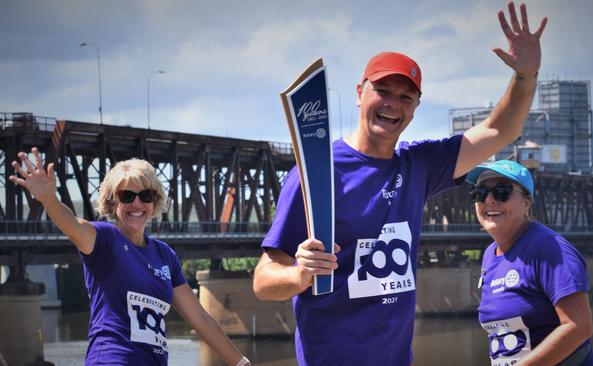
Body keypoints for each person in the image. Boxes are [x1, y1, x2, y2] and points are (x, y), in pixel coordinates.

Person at [253, 2, 547, 365]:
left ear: (416, 107)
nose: (393, 104)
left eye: (405, 97)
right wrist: (300, 274)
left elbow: (500, 129)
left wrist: (525, 77)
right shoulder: (315, 173)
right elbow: (263, 281)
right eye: (383, 91)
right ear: (360, 92)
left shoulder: (419, 163)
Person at [9, 147, 251, 366]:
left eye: (145, 195)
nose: (137, 203)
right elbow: (72, 224)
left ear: (154, 201)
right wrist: (49, 200)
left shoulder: (165, 256)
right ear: (113, 201)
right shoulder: (103, 239)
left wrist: (240, 363)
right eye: (127, 196)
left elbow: (201, 320)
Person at [466, 160, 593, 365]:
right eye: (480, 192)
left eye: (502, 192)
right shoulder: (489, 255)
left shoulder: (548, 247)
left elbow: (578, 327)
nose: (490, 200)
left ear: (526, 203)